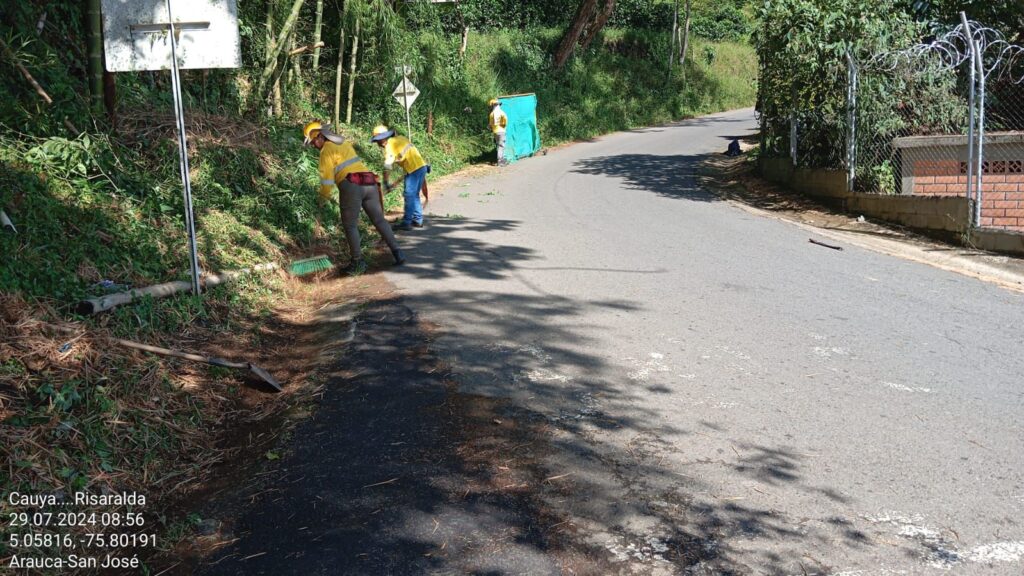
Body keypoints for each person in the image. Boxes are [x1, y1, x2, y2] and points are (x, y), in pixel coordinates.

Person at [303, 121, 405, 275]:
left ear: (319, 137)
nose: (313, 146)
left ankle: (357, 262)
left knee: (350, 225)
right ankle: (398, 253)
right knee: (379, 220)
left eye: (313, 142)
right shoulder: (344, 143)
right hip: (369, 183)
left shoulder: (326, 151)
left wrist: (322, 199)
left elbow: (327, 181)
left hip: (351, 185)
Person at [370, 125, 429, 231]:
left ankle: (406, 222)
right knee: (414, 195)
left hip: (414, 170)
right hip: (421, 167)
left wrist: (386, 182)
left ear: (383, 139)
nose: (378, 144)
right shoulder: (400, 139)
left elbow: (387, 166)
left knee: (409, 195)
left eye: (378, 141)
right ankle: (418, 220)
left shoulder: (389, 145)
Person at [488, 98, 508, 166]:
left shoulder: (491, 114)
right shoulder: (501, 112)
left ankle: (500, 159)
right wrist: (503, 124)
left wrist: (491, 128)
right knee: (501, 146)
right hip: (501, 131)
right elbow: (505, 119)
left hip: (495, 132)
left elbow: (490, 125)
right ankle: (500, 161)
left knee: (499, 145)